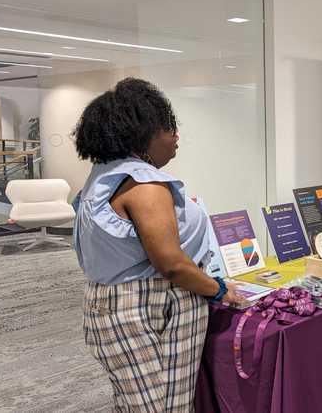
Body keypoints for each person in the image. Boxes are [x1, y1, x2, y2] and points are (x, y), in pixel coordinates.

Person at [73, 78, 243, 411]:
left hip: (112, 303)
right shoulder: (145, 183)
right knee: (165, 406)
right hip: (150, 307)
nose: (176, 136)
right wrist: (219, 289)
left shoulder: (105, 174)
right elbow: (172, 264)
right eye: (168, 127)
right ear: (143, 134)